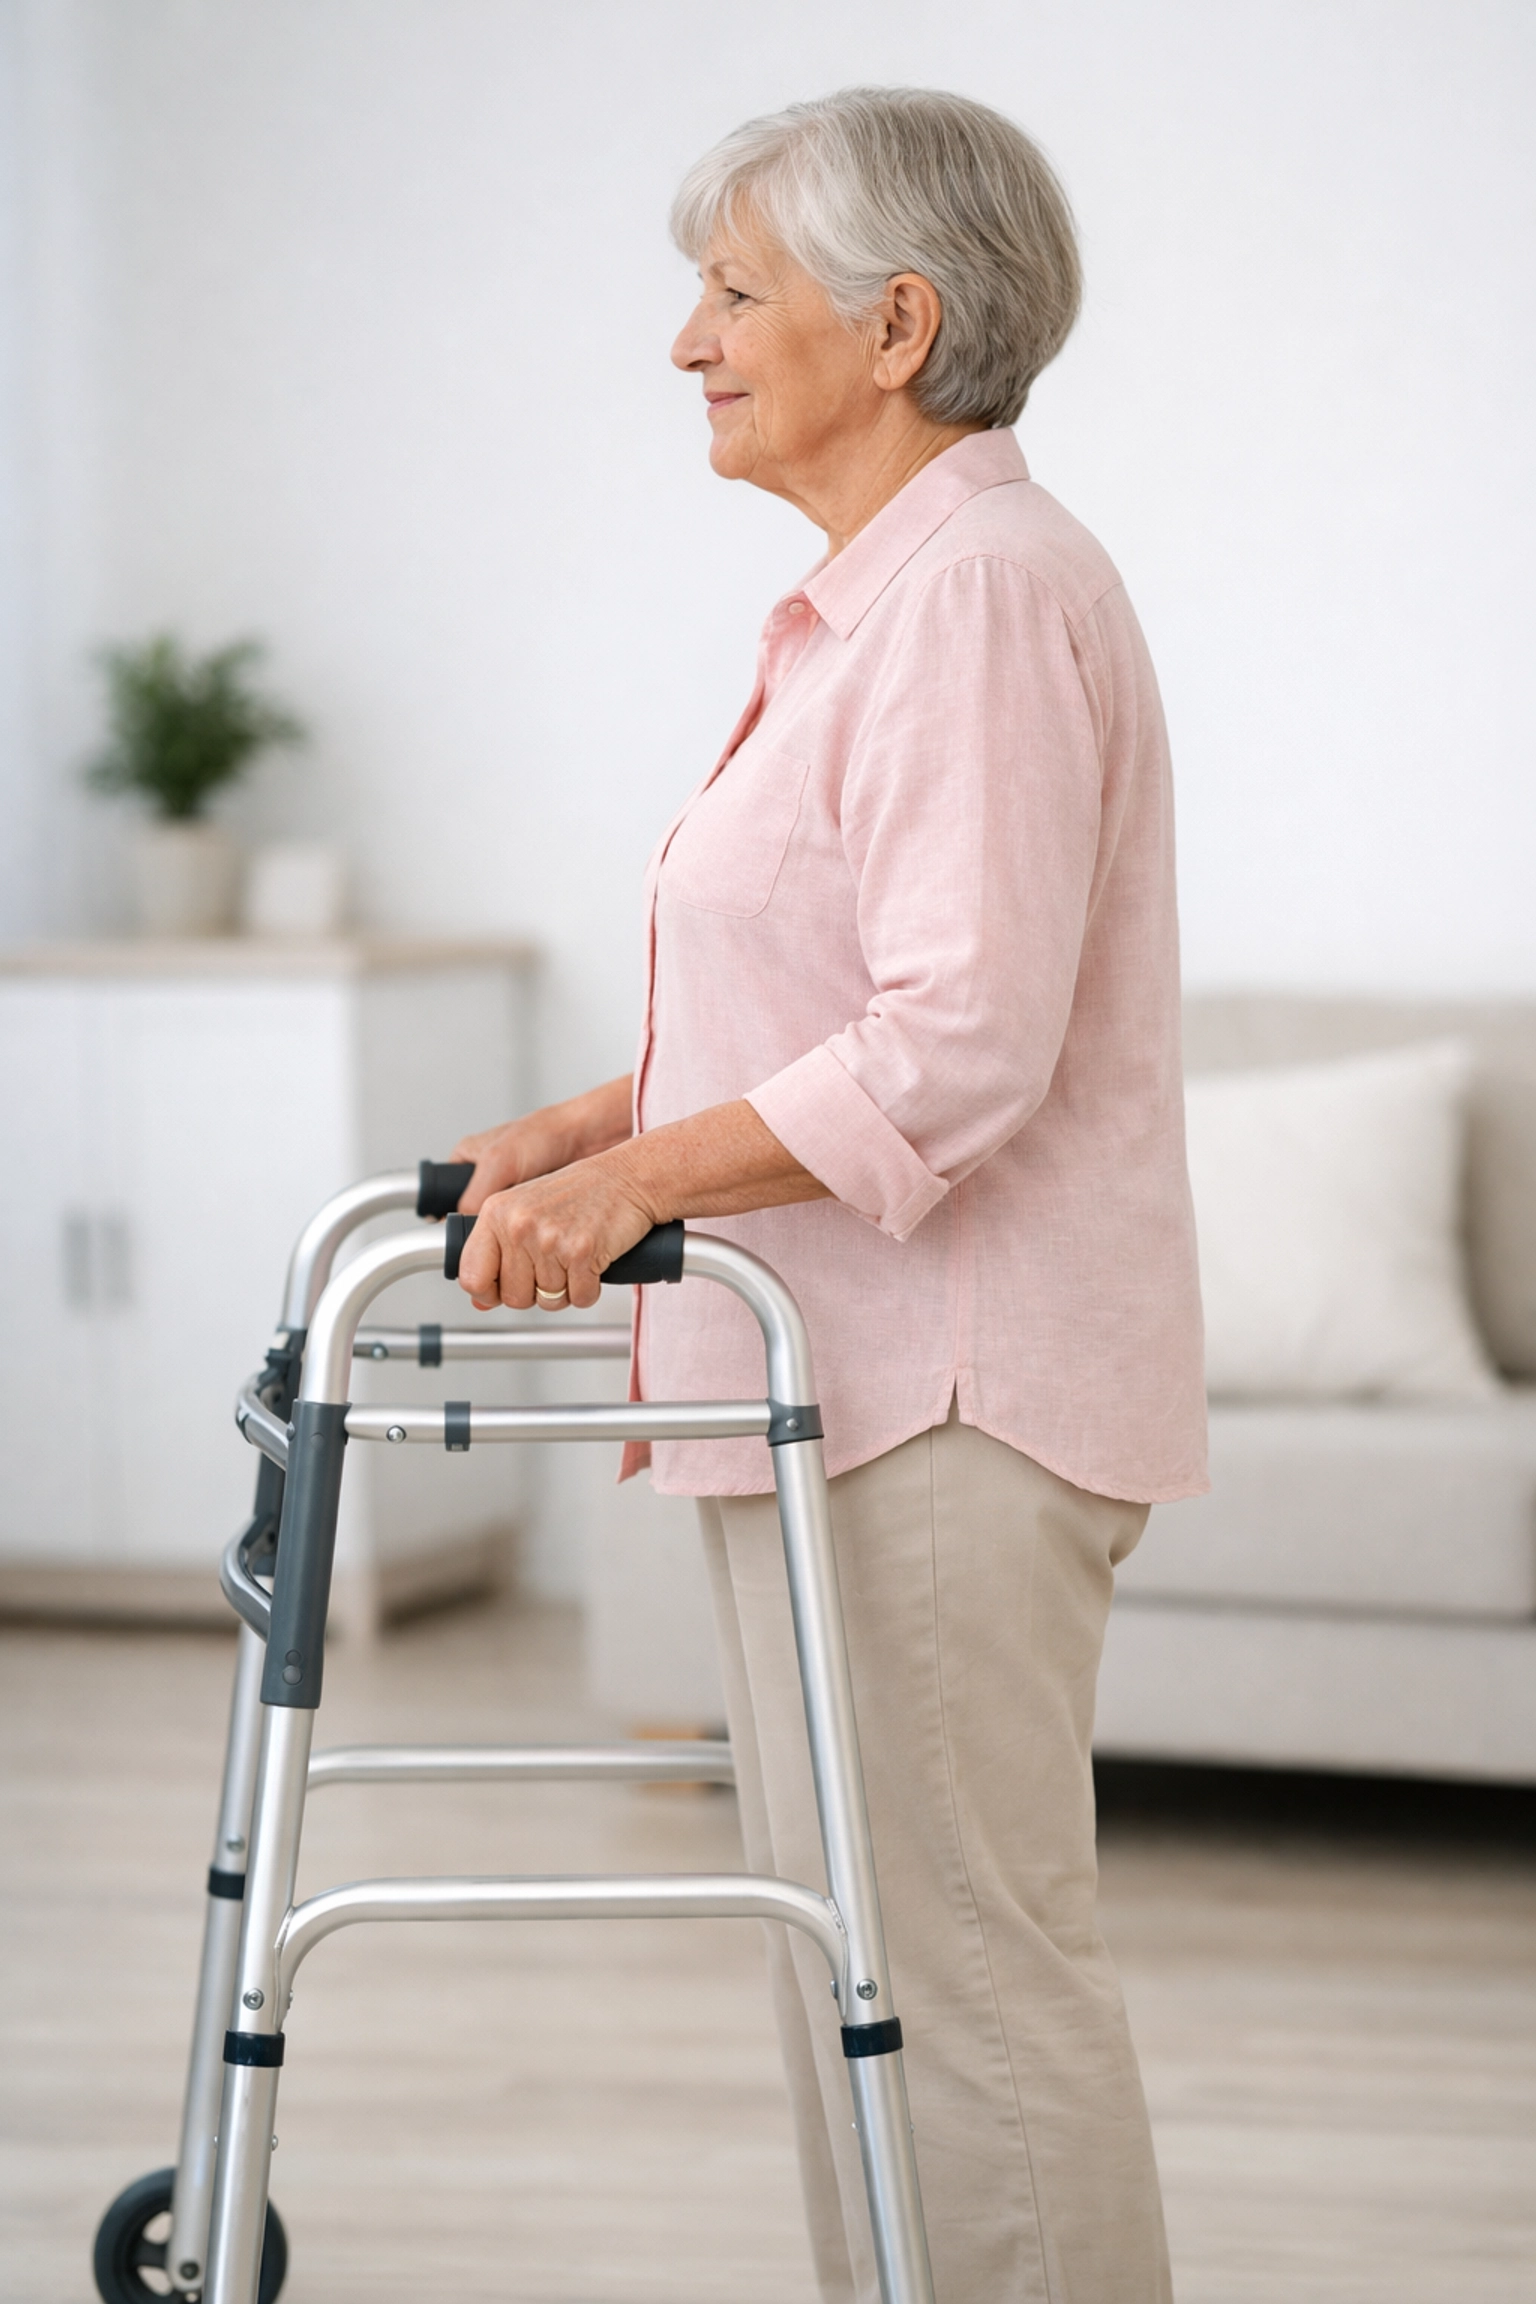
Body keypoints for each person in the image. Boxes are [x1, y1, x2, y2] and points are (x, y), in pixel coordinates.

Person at [451, 86, 1207, 2304]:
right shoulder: (880, 609)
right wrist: (587, 1134)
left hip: (940, 1400)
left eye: (732, 291)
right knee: (860, 1963)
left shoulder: (975, 596)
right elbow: (826, 990)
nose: (688, 340)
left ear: (898, 327)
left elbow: (959, 1038)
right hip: (845, 1391)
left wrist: (641, 1179)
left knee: (958, 1978)